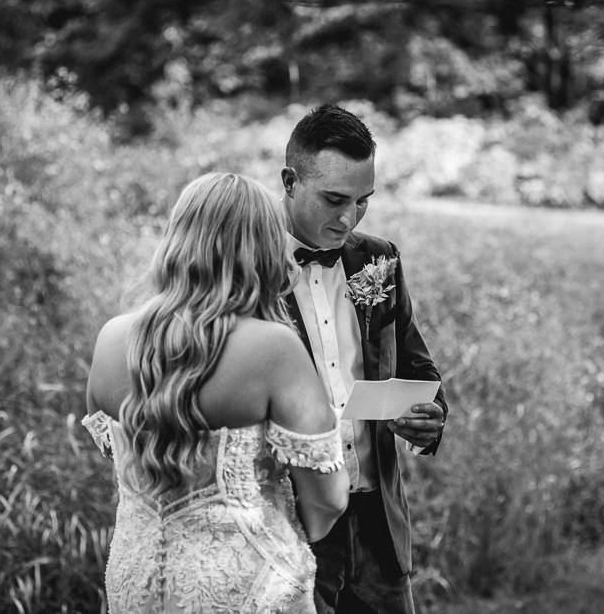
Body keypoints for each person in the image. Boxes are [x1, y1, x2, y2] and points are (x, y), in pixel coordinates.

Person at [81, 172, 350, 613]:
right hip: (244, 585)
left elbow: (125, 458)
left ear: (178, 239)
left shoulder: (112, 339)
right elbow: (328, 498)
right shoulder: (273, 348)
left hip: (136, 581)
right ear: (264, 249)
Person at [280, 104, 448, 613]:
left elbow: (420, 371)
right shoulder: (248, 267)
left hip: (378, 523)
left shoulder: (378, 260)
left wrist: (430, 418)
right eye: (334, 199)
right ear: (290, 181)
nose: (349, 217)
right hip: (295, 525)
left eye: (363, 201)